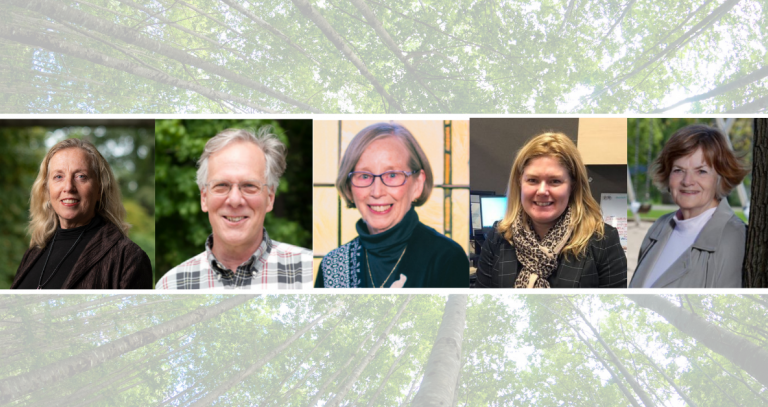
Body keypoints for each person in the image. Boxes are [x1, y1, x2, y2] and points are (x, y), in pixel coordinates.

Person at [156, 128, 312, 289]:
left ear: (270, 198)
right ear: (204, 197)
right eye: (222, 185)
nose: (235, 200)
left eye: (249, 186)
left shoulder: (311, 274)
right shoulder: (170, 287)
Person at [316, 123, 468, 288]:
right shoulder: (332, 267)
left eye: (392, 175)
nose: (377, 192)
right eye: (364, 176)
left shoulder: (447, 260)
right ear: (349, 187)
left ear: (417, 184)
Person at [475, 132, 627, 288]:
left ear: (572, 185)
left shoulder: (603, 241)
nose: (542, 191)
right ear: (519, 182)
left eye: (555, 181)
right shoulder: (498, 236)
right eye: (532, 180)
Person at [12, 138, 152, 289]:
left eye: (81, 176)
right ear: (47, 189)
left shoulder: (128, 257)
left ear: (100, 189)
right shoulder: (33, 253)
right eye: (58, 176)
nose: (68, 187)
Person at [630, 125, 748, 288]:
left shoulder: (735, 238)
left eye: (701, 171)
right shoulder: (658, 227)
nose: (687, 181)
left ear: (720, 177)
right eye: (679, 170)